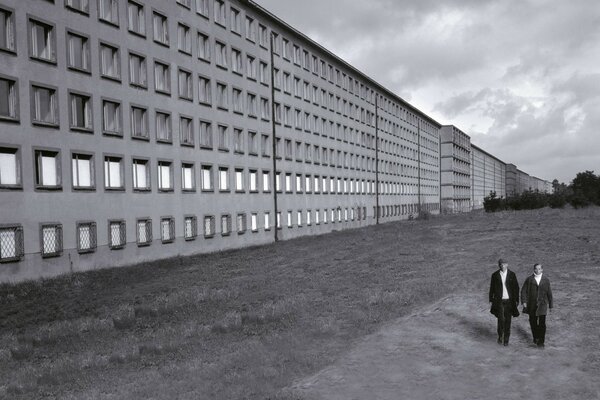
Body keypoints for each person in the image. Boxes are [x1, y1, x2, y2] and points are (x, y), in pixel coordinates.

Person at [521, 263, 553, 347]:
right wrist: (524, 302)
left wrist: (551, 305)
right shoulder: (529, 279)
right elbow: (523, 291)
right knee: (533, 322)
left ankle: (541, 342)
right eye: (536, 269)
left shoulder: (546, 280)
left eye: (539, 269)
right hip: (532, 305)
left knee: (542, 323)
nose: (537, 270)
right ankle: (535, 337)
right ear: (533, 269)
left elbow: (549, 293)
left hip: (542, 305)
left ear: (542, 270)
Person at [489, 258, 520, 346]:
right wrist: (491, 299)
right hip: (499, 301)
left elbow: (516, 288)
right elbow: (492, 288)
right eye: (501, 264)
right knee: (501, 319)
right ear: (499, 265)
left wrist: (517, 300)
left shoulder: (512, 275)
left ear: (507, 265)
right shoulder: (495, 275)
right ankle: (500, 336)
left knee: (508, 321)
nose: (502, 266)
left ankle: (506, 340)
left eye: (504, 264)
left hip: (509, 301)